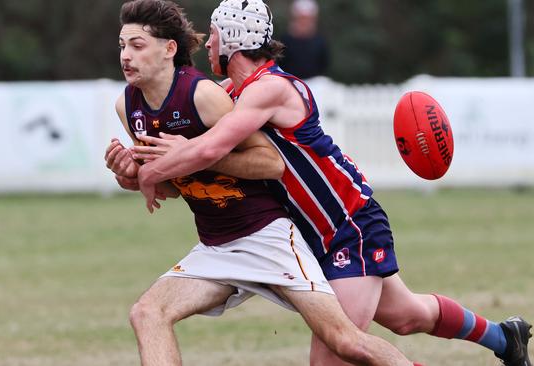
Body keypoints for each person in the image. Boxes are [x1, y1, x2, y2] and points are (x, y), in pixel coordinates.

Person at [131, 0, 534, 365]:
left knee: (335, 357)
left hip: (347, 227)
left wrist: (154, 169)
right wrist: (134, 165)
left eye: (215, 34)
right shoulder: (231, 92)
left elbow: (206, 149)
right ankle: (504, 338)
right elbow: (198, 157)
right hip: (314, 236)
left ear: (233, 39)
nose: (209, 44)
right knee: (407, 316)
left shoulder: (270, 89)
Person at [107, 1, 415, 365]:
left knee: (345, 341)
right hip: (216, 246)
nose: (126, 56)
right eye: (123, 45)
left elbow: (270, 163)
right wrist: (129, 174)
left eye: (137, 45)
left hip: (267, 238)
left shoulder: (205, 95)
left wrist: (164, 165)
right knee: (147, 313)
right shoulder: (128, 107)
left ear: (169, 49)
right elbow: (177, 186)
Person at [279, 0, 329, 79]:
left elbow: (323, 66)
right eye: (301, 18)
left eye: (307, 19)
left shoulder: (320, 42)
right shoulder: (285, 40)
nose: (304, 22)